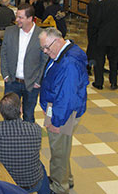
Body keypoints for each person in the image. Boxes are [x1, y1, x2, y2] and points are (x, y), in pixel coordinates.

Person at [39, 28, 88, 194]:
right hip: (57, 108)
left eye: (46, 47)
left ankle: (59, 188)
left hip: (62, 114)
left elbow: (66, 97)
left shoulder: (69, 63)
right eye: (43, 48)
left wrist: (56, 122)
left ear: (58, 40)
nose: (45, 52)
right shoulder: (63, 53)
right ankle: (67, 179)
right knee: (63, 148)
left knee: (58, 152)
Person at [0, 93, 50, 194]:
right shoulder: (36, 129)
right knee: (41, 166)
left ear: (1, 112)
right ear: (21, 110)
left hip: (8, 184)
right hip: (33, 183)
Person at [0, 3, 48, 123]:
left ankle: (28, 140)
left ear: (30, 18)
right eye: (17, 16)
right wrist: (5, 74)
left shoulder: (42, 35)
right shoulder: (10, 31)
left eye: (20, 17)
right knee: (9, 116)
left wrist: (38, 80)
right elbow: (4, 54)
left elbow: (44, 60)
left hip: (31, 84)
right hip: (12, 81)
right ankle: (10, 139)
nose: (17, 20)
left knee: (28, 115)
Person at [86, 0, 104, 75]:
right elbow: (94, 18)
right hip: (94, 30)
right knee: (92, 50)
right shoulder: (93, 3)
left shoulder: (102, 2)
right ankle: (88, 66)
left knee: (98, 50)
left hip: (100, 30)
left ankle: (98, 65)